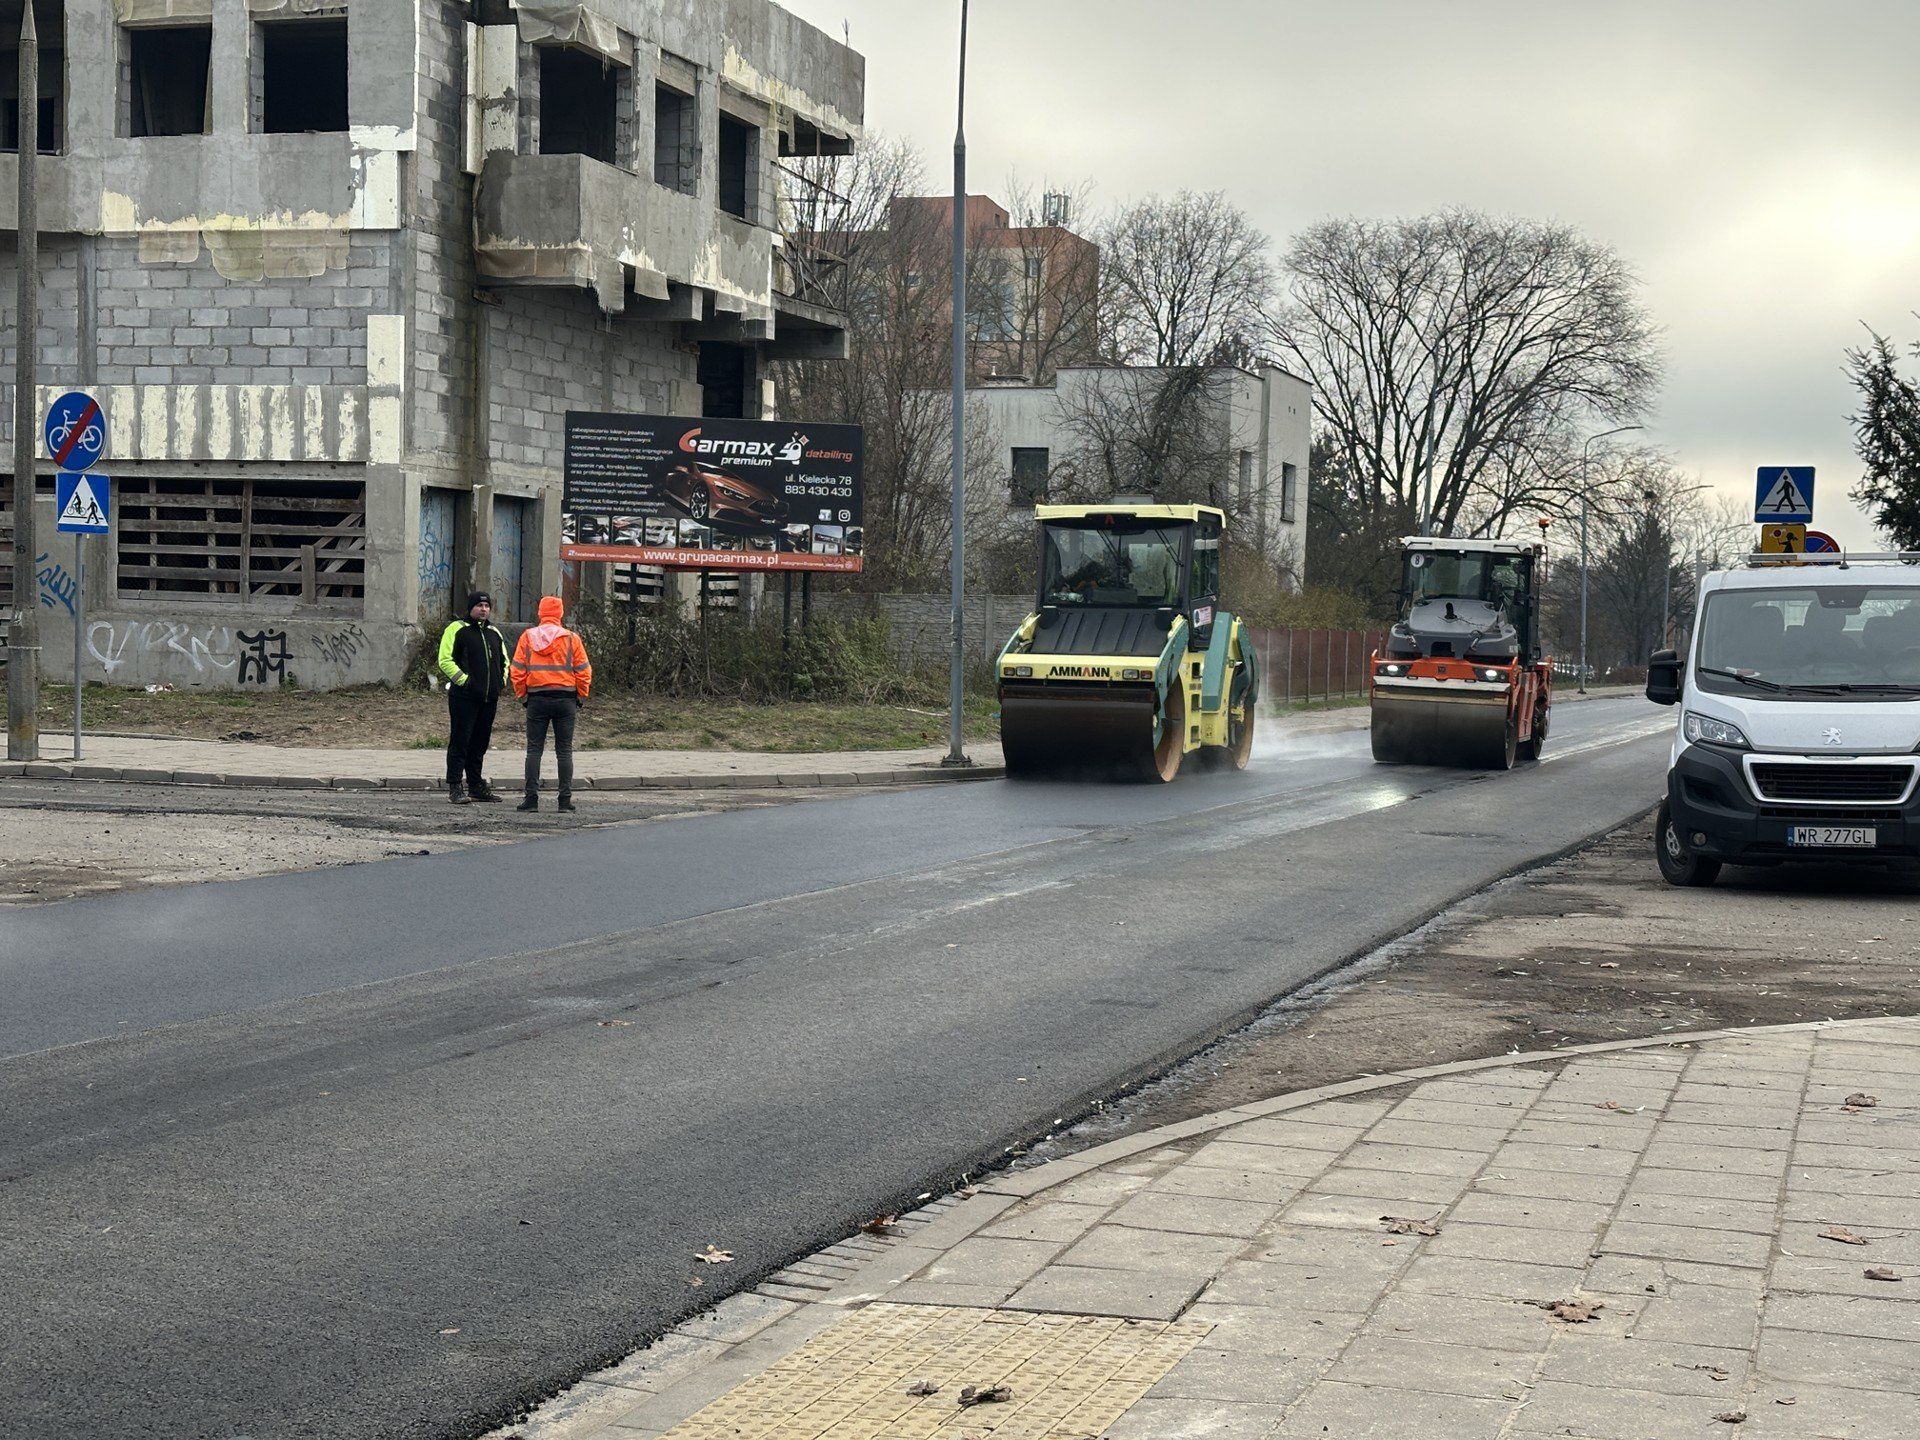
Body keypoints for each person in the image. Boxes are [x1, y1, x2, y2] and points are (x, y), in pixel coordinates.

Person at [510, 595, 593, 813]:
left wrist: (523, 696)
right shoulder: (571, 638)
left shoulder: (527, 637)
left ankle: (531, 799)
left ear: (540, 612)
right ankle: (564, 801)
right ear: (560, 614)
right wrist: (581, 696)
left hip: (536, 699)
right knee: (564, 751)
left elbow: (517, 670)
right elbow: (584, 670)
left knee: (534, 750)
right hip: (566, 699)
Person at [437, 591, 509, 804]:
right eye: (479, 606)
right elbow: (445, 660)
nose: (483, 609)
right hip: (464, 697)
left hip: (489, 698)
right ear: (471, 608)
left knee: (480, 743)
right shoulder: (457, 629)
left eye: (487, 606)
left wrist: (501, 682)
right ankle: (455, 786)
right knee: (460, 741)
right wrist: (465, 681)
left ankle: (476, 785)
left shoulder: (494, 632)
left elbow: (505, 661)